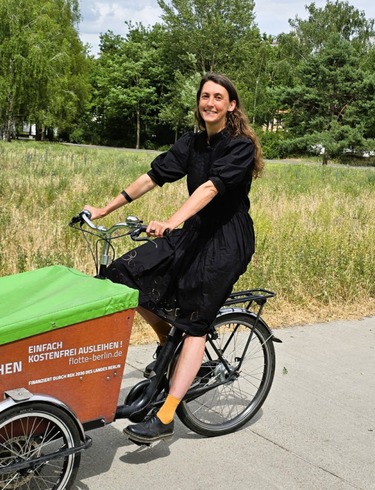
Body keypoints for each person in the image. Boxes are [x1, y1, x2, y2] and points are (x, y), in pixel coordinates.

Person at [83, 73, 264, 444]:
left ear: (231, 105)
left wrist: (171, 221)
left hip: (226, 239)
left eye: (218, 97)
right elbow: (152, 176)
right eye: (204, 96)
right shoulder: (193, 143)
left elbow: (212, 187)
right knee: (124, 274)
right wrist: (104, 208)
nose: (209, 102)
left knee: (195, 320)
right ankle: (171, 344)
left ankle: (166, 417)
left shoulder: (240, 146)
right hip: (194, 232)